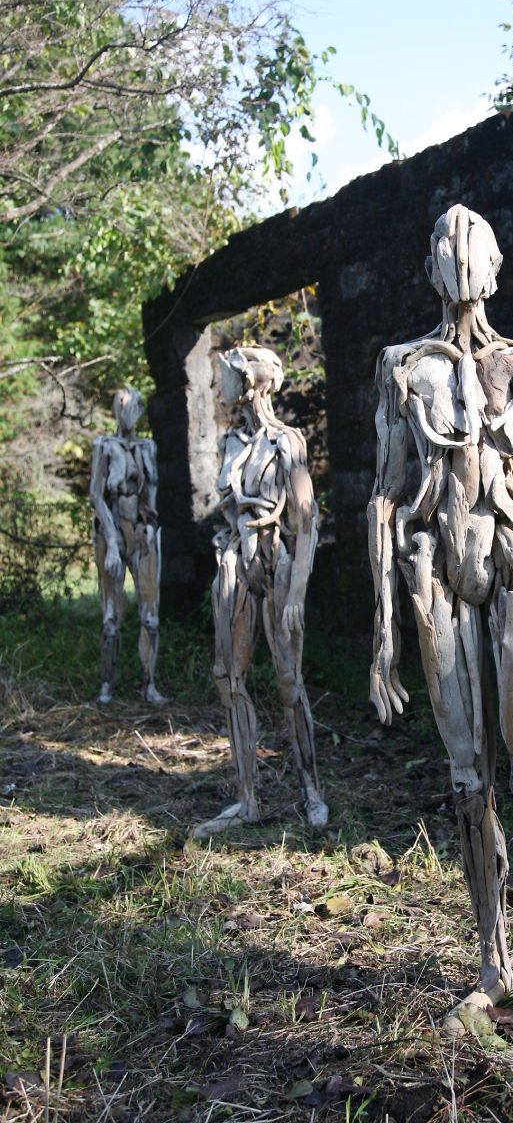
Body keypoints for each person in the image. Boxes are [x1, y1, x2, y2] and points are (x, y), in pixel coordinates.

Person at [368, 204, 513, 1063]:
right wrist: (384, 630)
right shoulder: (403, 368)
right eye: (447, 248)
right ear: (431, 268)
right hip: (439, 581)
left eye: (474, 248)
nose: (461, 258)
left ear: (495, 266)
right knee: (467, 783)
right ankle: (494, 963)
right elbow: (386, 497)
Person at [193, 345, 327, 837]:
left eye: (229, 374)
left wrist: (297, 593)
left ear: (250, 380)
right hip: (235, 562)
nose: (222, 385)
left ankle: (311, 790)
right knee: (229, 677)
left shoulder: (287, 441)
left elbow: (306, 520)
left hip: (278, 563)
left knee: (289, 682)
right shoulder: (232, 442)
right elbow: (229, 510)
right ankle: (246, 798)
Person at [90, 386, 163, 704]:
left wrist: (150, 530)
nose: (126, 410)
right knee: (110, 616)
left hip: (143, 534)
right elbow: (96, 494)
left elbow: (152, 493)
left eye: (131, 404)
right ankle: (107, 684)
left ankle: (149, 684)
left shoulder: (148, 447)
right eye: (120, 404)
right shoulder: (104, 445)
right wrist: (111, 541)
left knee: (151, 616)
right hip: (112, 534)